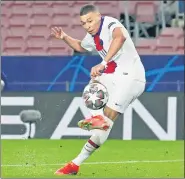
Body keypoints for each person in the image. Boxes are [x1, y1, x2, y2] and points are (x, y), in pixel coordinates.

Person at [51, 4, 146, 176]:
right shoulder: (91, 35)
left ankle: (98, 119)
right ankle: (75, 163)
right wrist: (64, 37)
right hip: (115, 75)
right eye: (83, 23)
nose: (87, 26)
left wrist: (103, 63)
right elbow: (81, 47)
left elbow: (120, 38)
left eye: (90, 21)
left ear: (99, 17)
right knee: (93, 88)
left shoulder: (110, 24)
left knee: (107, 117)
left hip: (132, 77)